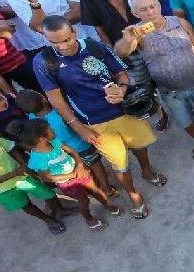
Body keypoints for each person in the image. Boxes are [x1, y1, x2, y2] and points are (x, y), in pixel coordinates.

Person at [33, 15, 165, 219]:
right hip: (94, 122)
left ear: (74, 32)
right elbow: (56, 100)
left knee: (139, 146)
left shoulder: (94, 47)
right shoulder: (43, 61)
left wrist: (122, 89)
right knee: (119, 163)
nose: (62, 47)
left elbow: (122, 73)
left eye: (66, 39)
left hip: (124, 111)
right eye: (54, 42)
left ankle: (146, 171)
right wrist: (79, 128)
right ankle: (133, 195)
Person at [115, 0, 194, 162]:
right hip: (170, 90)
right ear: (135, 14)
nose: (150, 12)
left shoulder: (180, 22)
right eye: (143, 10)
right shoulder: (137, 34)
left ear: (158, 5)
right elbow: (121, 51)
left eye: (152, 6)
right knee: (185, 119)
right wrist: (127, 39)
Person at [11, 117, 120, 230]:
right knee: (84, 200)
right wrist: (73, 175)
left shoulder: (54, 142)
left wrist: (79, 165)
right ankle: (88, 218)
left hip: (79, 172)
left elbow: (72, 151)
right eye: (50, 129)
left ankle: (108, 206)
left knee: (96, 190)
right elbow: (47, 178)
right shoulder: (38, 159)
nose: (53, 130)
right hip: (67, 183)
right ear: (42, 139)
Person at [0, 121, 67, 234]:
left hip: (22, 176)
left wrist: (22, 164)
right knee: (25, 205)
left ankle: (59, 210)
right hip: (4, 189)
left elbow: (10, 149)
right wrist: (14, 174)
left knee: (46, 192)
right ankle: (48, 219)